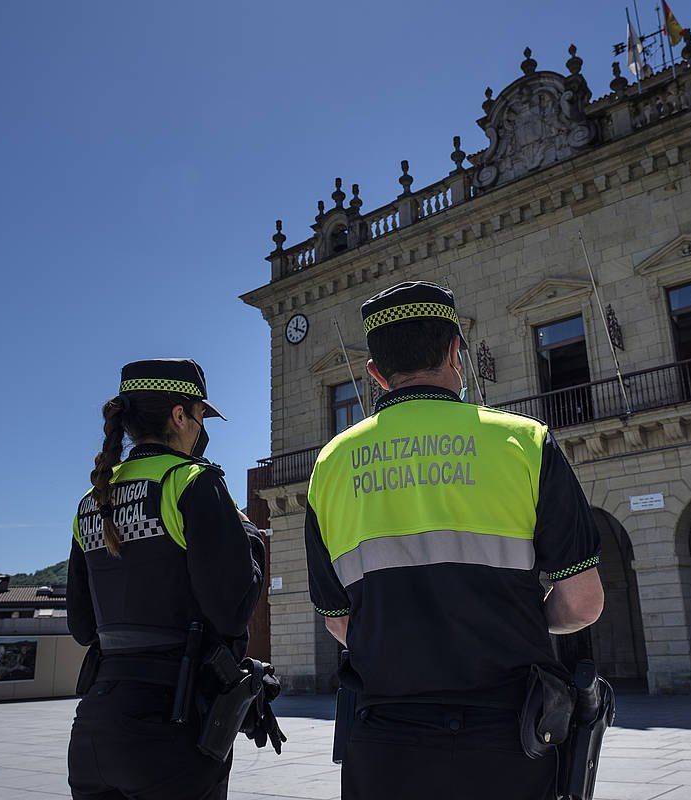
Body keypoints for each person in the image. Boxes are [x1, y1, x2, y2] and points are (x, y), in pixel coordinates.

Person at [305, 281, 605, 800]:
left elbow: (337, 619)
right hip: (508, 739)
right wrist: (515, 619)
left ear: (376, 374)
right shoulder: (525, 442)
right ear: (454, 352)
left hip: (385, 744)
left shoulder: (330, 466)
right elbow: (582, 602)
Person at [66, 358, 269, 800]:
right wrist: (249, 535)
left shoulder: (91, 500)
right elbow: (232, 613)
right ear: (180, 415)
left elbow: (82, 627)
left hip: (93, 732)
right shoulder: (191, 482)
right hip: (172, 729)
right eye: (199, 416)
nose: (200, 429)